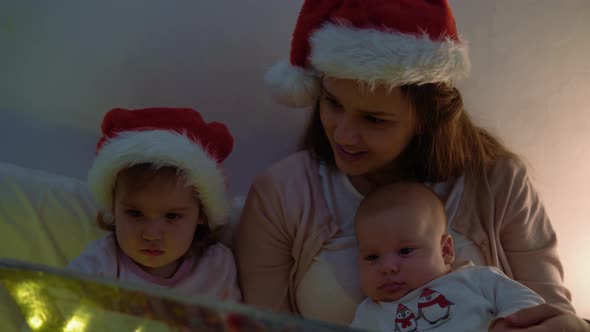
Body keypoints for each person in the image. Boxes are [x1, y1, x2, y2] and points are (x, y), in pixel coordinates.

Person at [236, 0, 589, 330]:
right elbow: (264, 325)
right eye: (332, 103)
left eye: (374, 119)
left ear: (427, 119)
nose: (343, 134)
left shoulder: (499, 182)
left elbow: (553, 314)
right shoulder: (281, 195)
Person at [68, 107, 241, 301]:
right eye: (135, 213)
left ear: (201, 213)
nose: (151, 234)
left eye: (172, 216)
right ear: (114, 208)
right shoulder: (100, 263)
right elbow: (56, 301)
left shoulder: (216, 266)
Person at [350, 182, 544, 331]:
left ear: (445, 251)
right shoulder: (369, 314)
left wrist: (509, 324)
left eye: (405, 251)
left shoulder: (477, 279)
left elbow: (528, 303)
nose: (387, 267)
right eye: (372, 257)